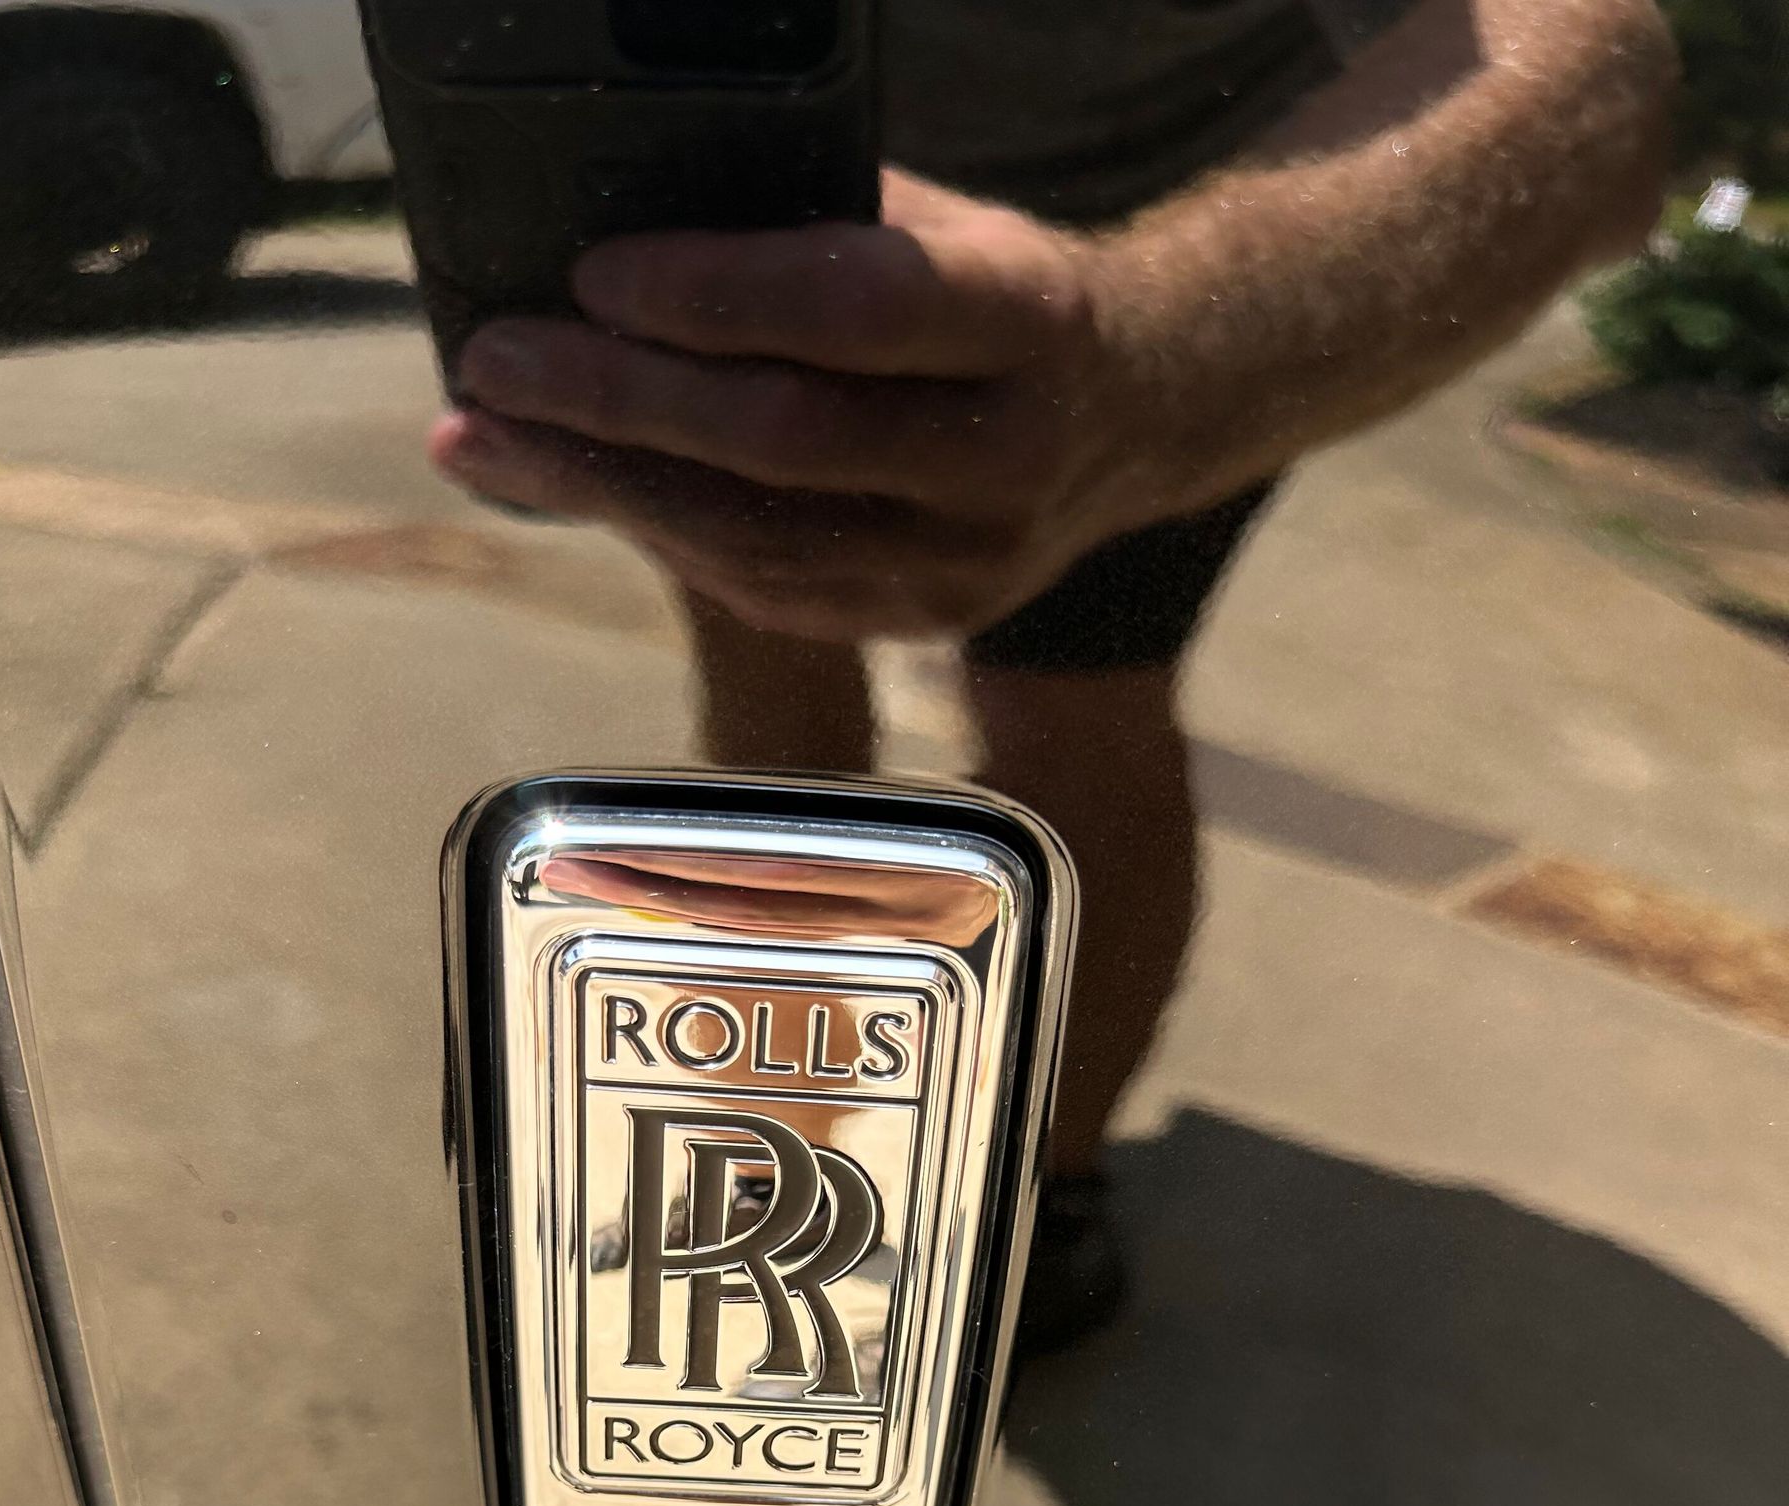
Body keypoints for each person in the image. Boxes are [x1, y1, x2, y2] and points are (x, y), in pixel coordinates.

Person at [431, 0, 1676, 1349]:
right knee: (771, 656)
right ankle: (779, 1130)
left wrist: (1158, 370)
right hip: (764, 209)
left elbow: (1595, 49)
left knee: (1069, 709)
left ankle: (1041, 1194)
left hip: (1157, 251)